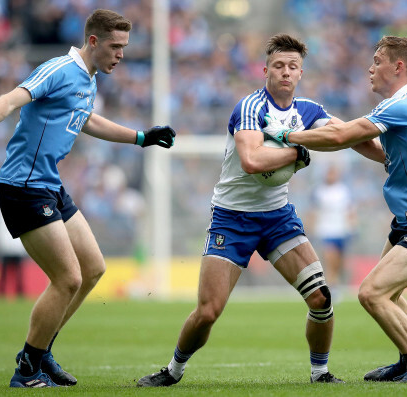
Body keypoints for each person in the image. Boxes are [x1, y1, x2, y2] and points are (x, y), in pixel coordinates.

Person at [136, 33, 384, 388]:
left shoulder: (308, 111)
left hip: (277, 217)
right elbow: (252, 161)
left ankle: (320, 374)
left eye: (293, 66)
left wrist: (389, 159)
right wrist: (296, 151)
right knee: (208, 311)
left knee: (321, 297)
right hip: (232, 217)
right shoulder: (251, 108)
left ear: (301, 73)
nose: (285, 72)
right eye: (279, 65)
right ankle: (173, 370)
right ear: (265, 69)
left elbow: (347, 136)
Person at [0, 9, 176, 388]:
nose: (121, 54)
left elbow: (88, 120)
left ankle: (41, 351)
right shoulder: (60, 69)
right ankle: (28, 367)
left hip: (49, 184)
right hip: (23, 187)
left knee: (93, 268)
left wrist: (142, 137)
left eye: (124, 47)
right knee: (67, 279)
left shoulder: (89, 78)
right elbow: (14, 97)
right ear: (93, 42)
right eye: (115, 46)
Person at [263, 36, 407, 383]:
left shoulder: (402, 106)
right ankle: (406, 362)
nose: (370, 68)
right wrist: (324, 122)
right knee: (391, 293)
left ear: (398, 67)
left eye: (378, 60)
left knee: (371, 293)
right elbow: (362, 141)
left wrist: (286, 136)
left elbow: (343, 138)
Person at [308, 164, 356, 299]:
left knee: (339, 262)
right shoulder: (319, 191)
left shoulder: (343, 190)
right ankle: (332, 288)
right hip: (326, 231)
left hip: (341, 231)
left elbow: (350, 210)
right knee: (330, 259)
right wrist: (311, 229)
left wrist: (352, 227)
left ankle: (336, 285)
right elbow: (313, 211)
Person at [0, 207, 27, 298]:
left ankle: (3, 292)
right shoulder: (20, 208)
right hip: (12, 246)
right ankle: (17, 292)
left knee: (9, 273)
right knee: (15, 273)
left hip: (8, 246)